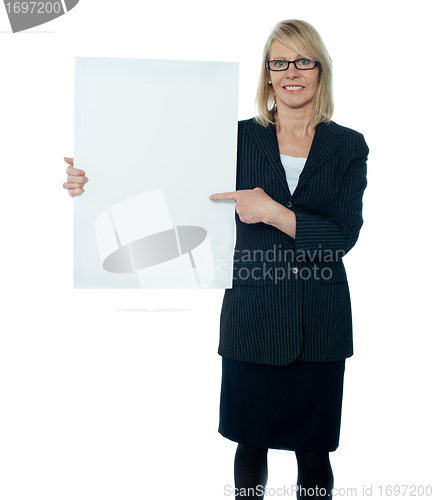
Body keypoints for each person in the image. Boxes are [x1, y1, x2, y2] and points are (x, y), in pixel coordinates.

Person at [64, 20, 368, 499]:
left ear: (320, 70)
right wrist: (95, 178)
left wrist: (272, 212)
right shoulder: (235, 138)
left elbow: (342, 237)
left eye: (303, 60)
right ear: (267, 74)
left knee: (314, 453)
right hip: (252, 316)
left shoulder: (349, 145)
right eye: (279, 62)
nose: (292, 71)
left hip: (320, 323)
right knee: (250, 445)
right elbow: (166, 174)